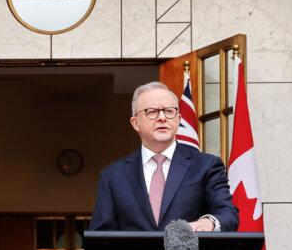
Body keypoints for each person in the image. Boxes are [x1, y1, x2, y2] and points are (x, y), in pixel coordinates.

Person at [90, 81, 238, 233]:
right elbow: (101, 235)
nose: (162, 117)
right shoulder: (113, 175)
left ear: (178, 119)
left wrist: (208, 223)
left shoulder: (206, 165)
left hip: (189, 249)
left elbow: (228, 214)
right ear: (135, 123)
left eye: (169, 111)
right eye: (152, 111)